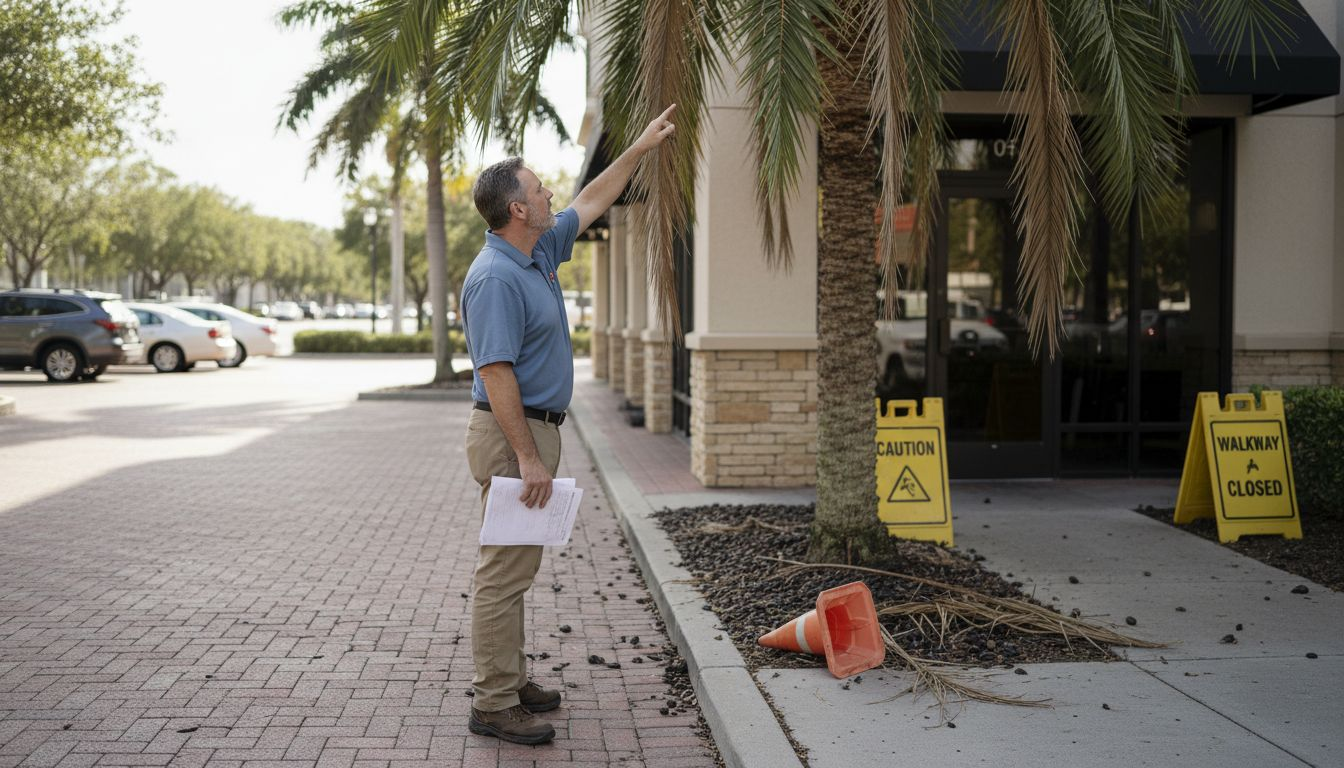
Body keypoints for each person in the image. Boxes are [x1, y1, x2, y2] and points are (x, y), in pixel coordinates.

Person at [460, 105, 677, 745]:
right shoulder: (496, 276)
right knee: (503, 572)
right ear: (516, 210)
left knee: (517, 567)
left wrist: (638, 147)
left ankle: (509, 676)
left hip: (531, 431)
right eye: (537, 188)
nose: (550, 190)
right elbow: (496, 373)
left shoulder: (538, 250)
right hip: (511, 435)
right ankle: (493, 703)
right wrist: (528, 457)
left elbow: (590, 196)